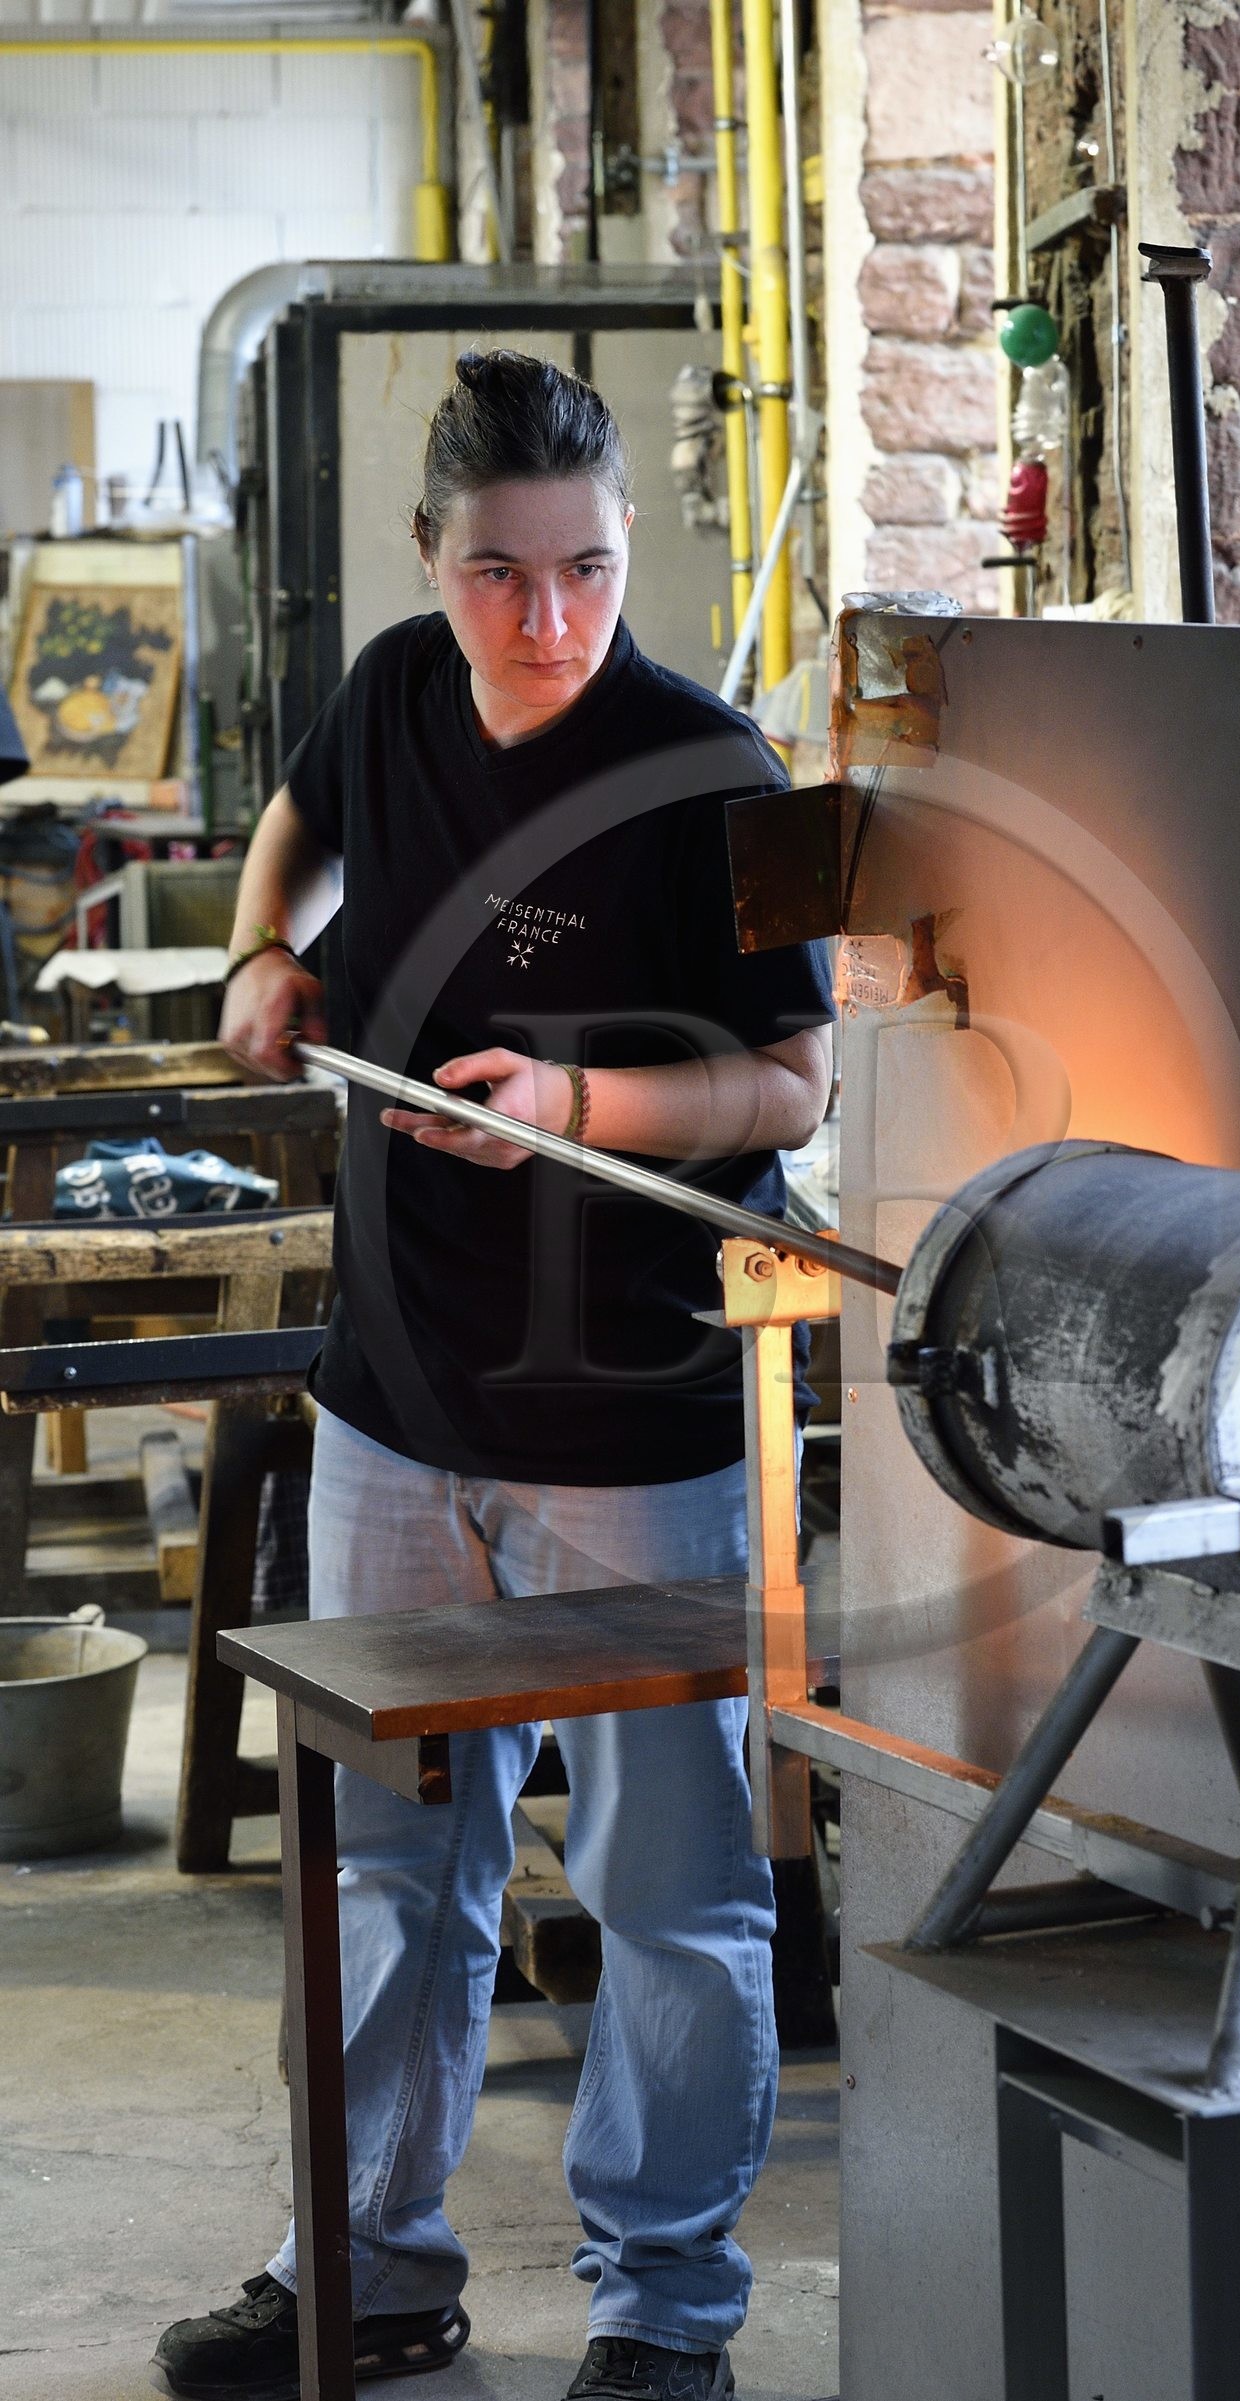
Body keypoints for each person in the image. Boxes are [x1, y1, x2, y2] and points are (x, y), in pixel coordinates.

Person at [154, 350, 834, 2401]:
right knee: (384, 1870)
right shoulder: (383, 690)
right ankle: (363, 2264)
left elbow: (789, 1078)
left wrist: (578, 1100)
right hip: (394, 1401)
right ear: (427, 561)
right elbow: (293, 836)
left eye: (588, 571)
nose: (545, 620)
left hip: (630, 1427)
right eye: (497, 576)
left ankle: (664, 2318)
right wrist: (265, 956)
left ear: (633, 544)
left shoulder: (709, 770)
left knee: (669, 1890)